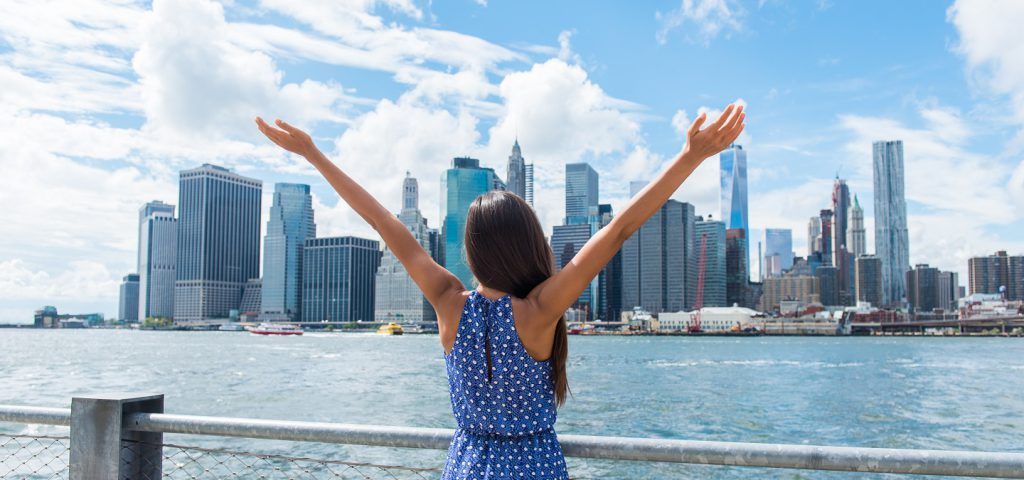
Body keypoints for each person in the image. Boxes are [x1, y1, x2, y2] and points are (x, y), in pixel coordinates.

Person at [255, 103, 745, 479]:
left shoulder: (449, 303)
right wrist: (690, 156)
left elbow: (385, 223)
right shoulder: (539, 310)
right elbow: (618, 230)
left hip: (467, 465)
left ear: (471, 253)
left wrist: (314, 154)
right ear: (529, 244)